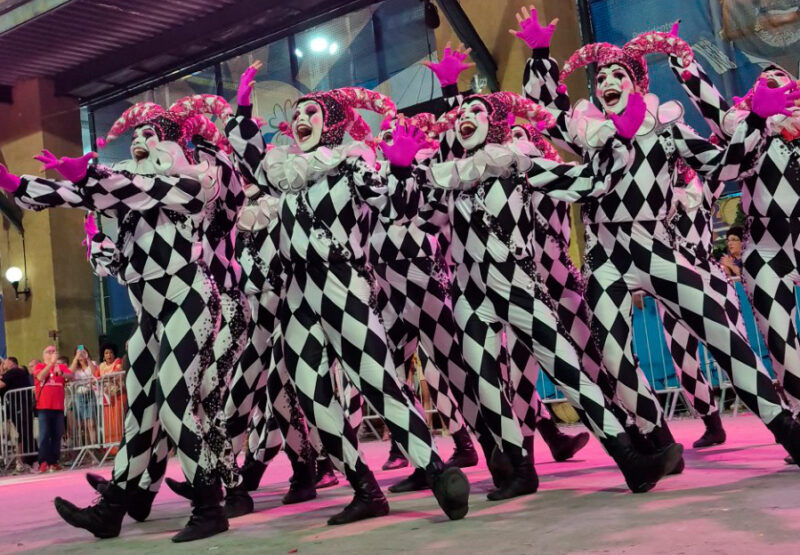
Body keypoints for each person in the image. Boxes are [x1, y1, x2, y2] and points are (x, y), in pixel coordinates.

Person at [33, 346, 72, 472]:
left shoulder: (61, 367)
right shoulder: (39, 366)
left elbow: (70, 376)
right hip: (44, 407)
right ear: (44, 355)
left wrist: (60, 371)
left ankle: (53, 461)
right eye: (49, 352)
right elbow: (40, 377)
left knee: (57, 435)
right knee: (44, 435)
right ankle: (43, 461)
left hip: (58, 407)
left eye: (54, 351)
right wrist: (50, 364)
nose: (52, 354)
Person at [0, 357, 36, 473]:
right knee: (22, 433)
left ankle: (28, 460)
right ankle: (23, 460)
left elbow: (1, 384)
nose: (3, 364)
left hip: (20, 406)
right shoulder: (13, 374)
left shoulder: (14, 371)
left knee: (25, 433)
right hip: (17, 407)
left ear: (10, 363)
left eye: (4, 363)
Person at [96, 344, 125, 448]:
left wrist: (105, 378)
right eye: (106, 353)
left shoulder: (118, 362)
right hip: (107, 399)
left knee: (119, 422)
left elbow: (117, 374)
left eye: (111, 352)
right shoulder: (101, 366)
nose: (109, 355)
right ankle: (110, 448)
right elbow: (95, 378)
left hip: (118, 396)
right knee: (108, 423)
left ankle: (121, 446)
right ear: (103, 355)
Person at [69, 347, 99, 447]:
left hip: (90, 394)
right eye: (78, 354)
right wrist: (75, 359)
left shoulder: (92, 363)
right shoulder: (75, 368)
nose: (80, 356)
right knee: (84, 425)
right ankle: (88, 449)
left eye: (82, 353)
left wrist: (88, 359)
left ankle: (94, 447)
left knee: (91, 423)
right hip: (79, 395)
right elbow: (69, 374)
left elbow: (96, 373)